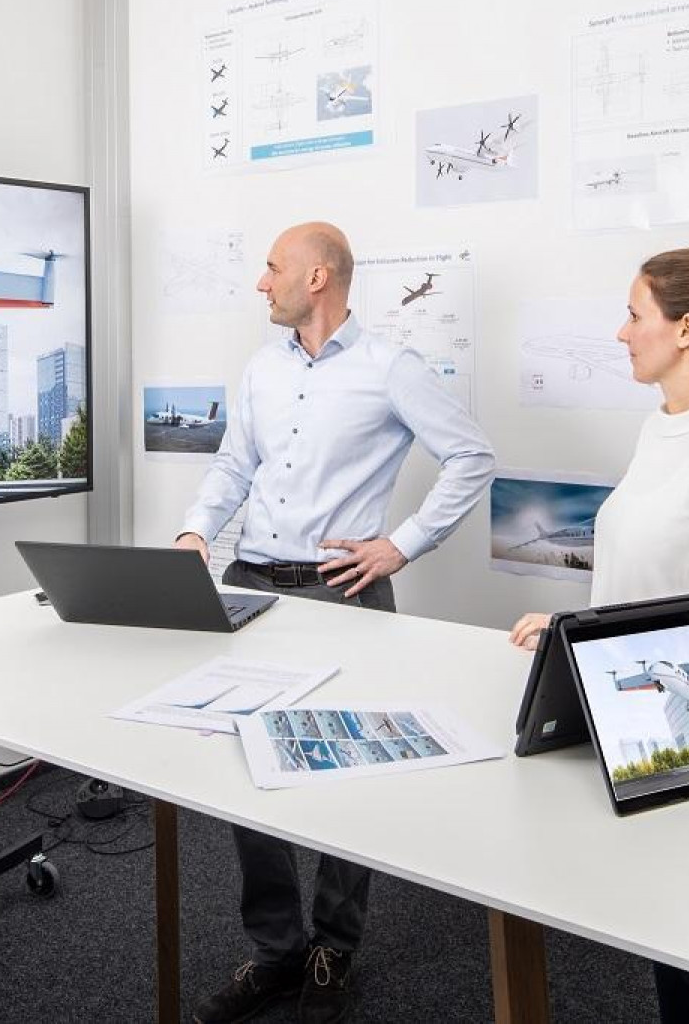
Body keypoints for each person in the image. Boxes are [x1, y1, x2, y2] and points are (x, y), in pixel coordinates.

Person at [176, 221, 495, 1024]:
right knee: (246, 773)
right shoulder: (259, 370)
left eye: (272, 268)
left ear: (318, 277)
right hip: (251, 582)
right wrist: (193, 532)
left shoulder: (391, 368)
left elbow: (470, 455)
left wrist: (401, 545)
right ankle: (278, 951)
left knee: (345, 781)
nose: (261, 283)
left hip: (340, 591)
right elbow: (232, 466)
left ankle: (333, 950)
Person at [510, 248, 689, 1024]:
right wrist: (573, 626)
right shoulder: (660, 428)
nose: (619, 333)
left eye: (634, 314)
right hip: (632, 710)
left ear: (684, 329)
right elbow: (649, 565)